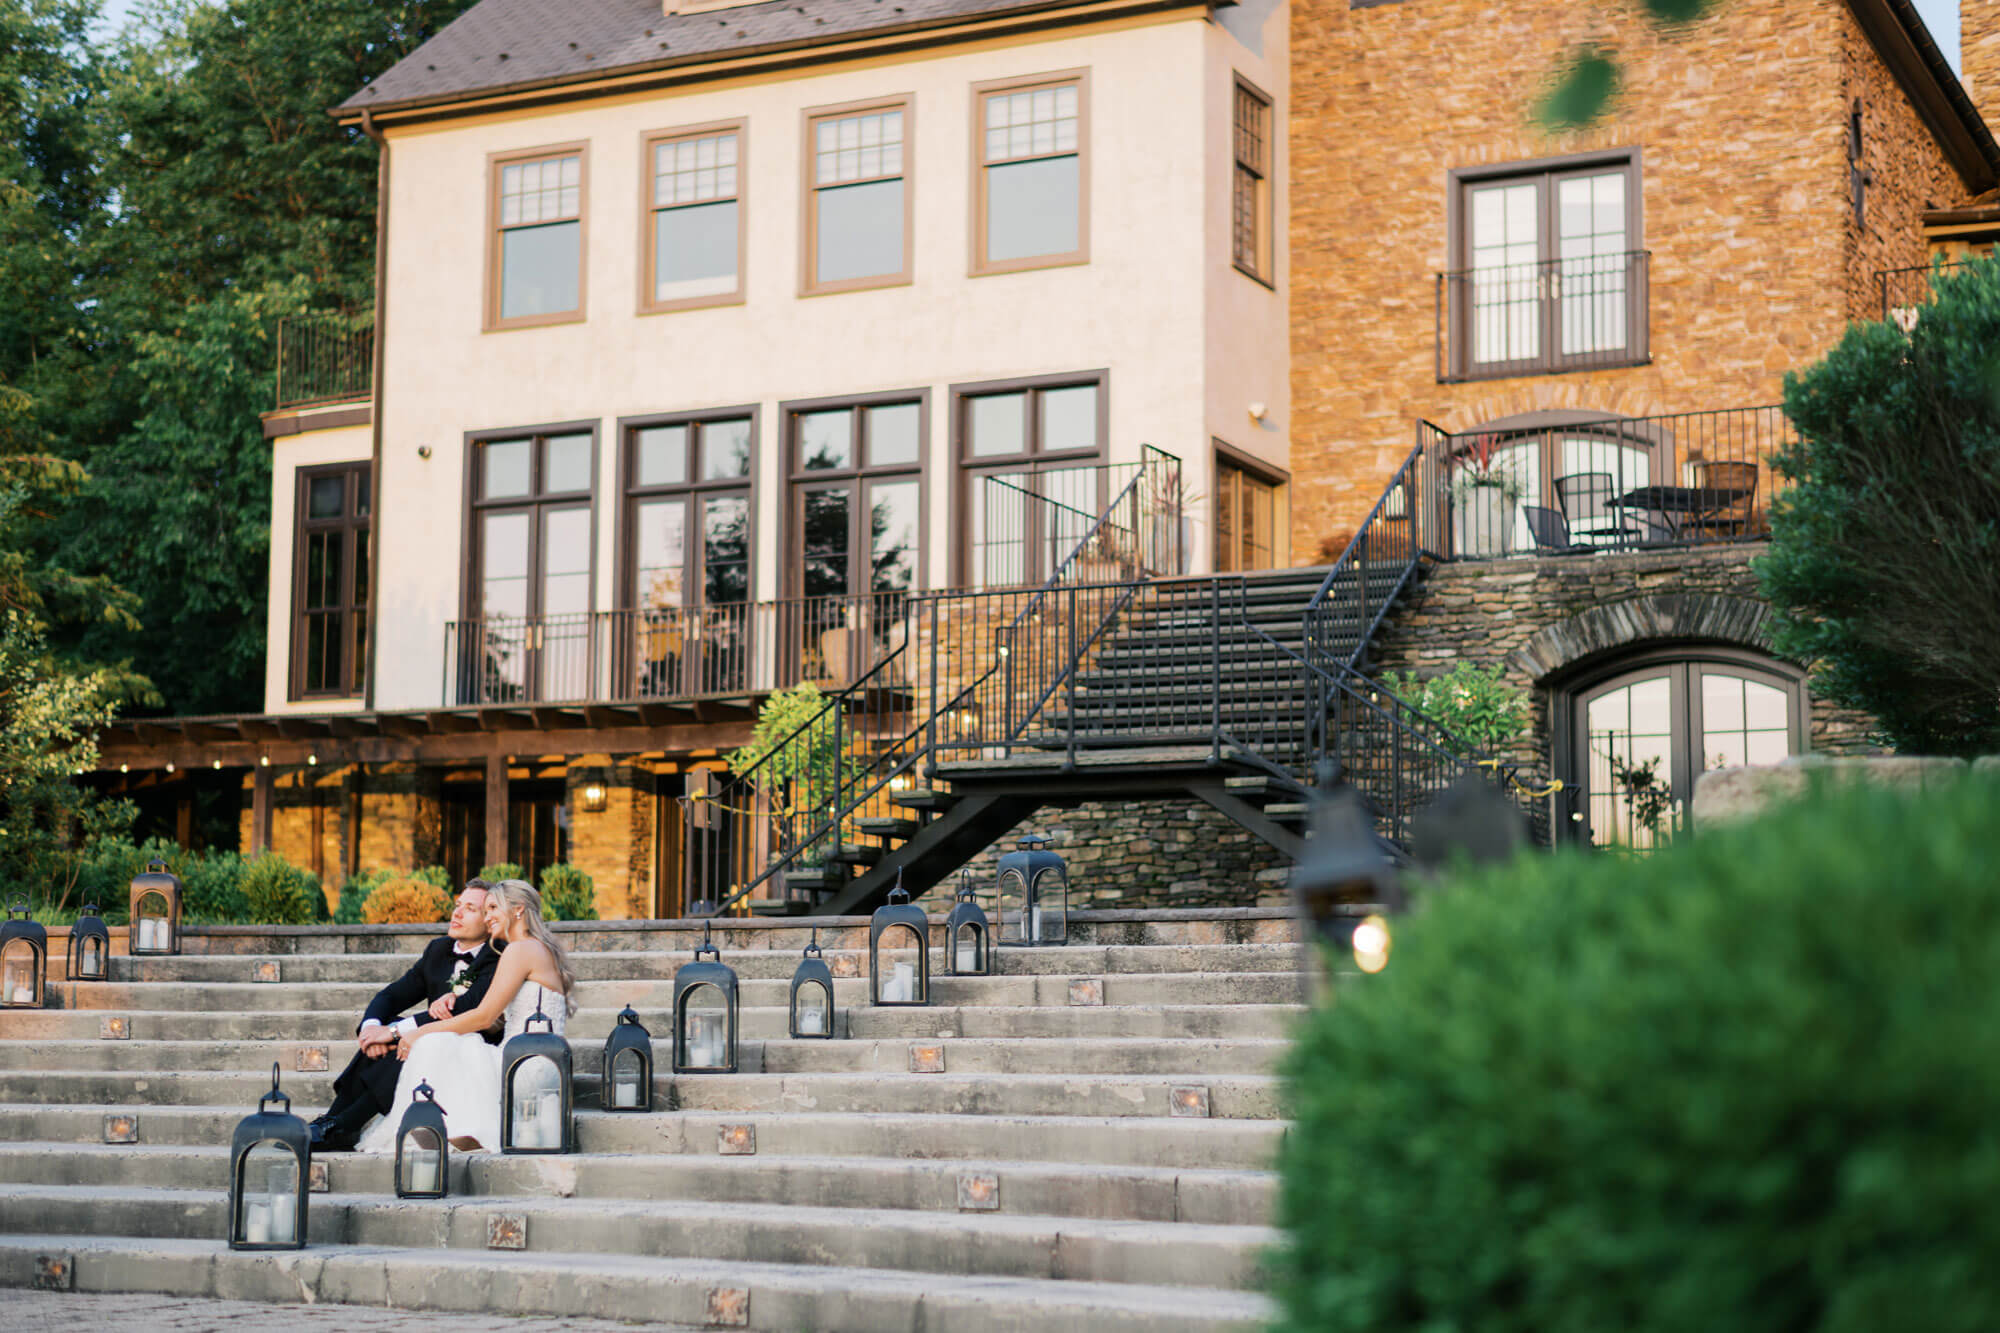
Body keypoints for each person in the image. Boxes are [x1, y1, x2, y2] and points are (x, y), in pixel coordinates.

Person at [355, 879, 576, 1154]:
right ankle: (456, 1132)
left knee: (438, 1043)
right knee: (451, 1043)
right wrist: (453, 999)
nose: (488, 916)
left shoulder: (519, 950)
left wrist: (417, 1033)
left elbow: (483, 1018)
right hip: (541, 1063)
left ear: (518, 910)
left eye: (493, 907)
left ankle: (444, 1128)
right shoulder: (532, 949)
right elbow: (498, 1019)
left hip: (523, 1066)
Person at [309, 880, 503, 1153]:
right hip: (435, 1037)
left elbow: (468, 1009)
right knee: (387, 1038)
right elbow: (392, 995)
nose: (456, 913)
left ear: (490, 920)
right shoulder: (438, 949)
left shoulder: (498, 955)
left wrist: (394, 1032)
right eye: (458, 905)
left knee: (410, 1042)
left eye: (470, 909)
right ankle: (334, 1123)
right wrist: (373, 1029)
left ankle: (342, 1126)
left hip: (471, 1047)